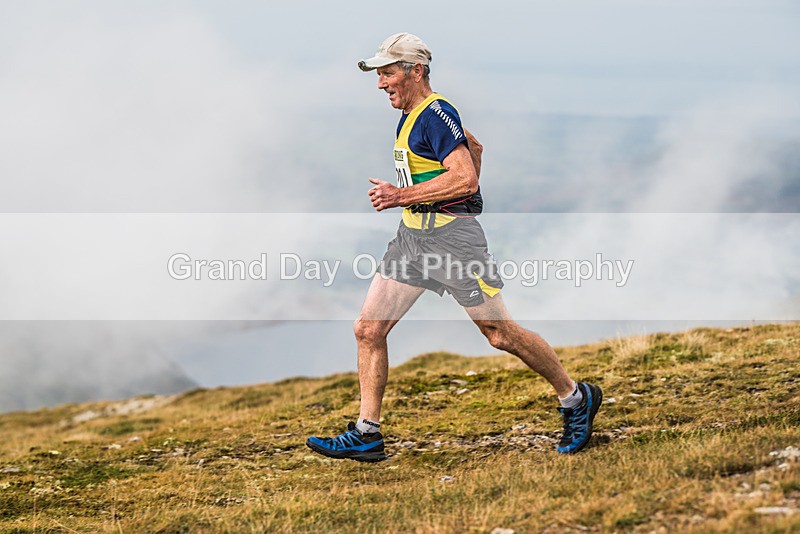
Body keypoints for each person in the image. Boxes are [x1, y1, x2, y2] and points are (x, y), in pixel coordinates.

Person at [306, 33, 602, 462]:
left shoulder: (434, 112)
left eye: (388, 73)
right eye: (380, 74)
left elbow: (465, 176)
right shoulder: (412, 115)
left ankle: (577, 399)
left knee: (499, 334)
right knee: (369, 329)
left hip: (452, 242)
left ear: (416, 71)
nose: (381, 83)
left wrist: (400, 196)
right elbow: (474, 149)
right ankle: (367, 433)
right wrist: (438, 197)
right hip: (413, 239)